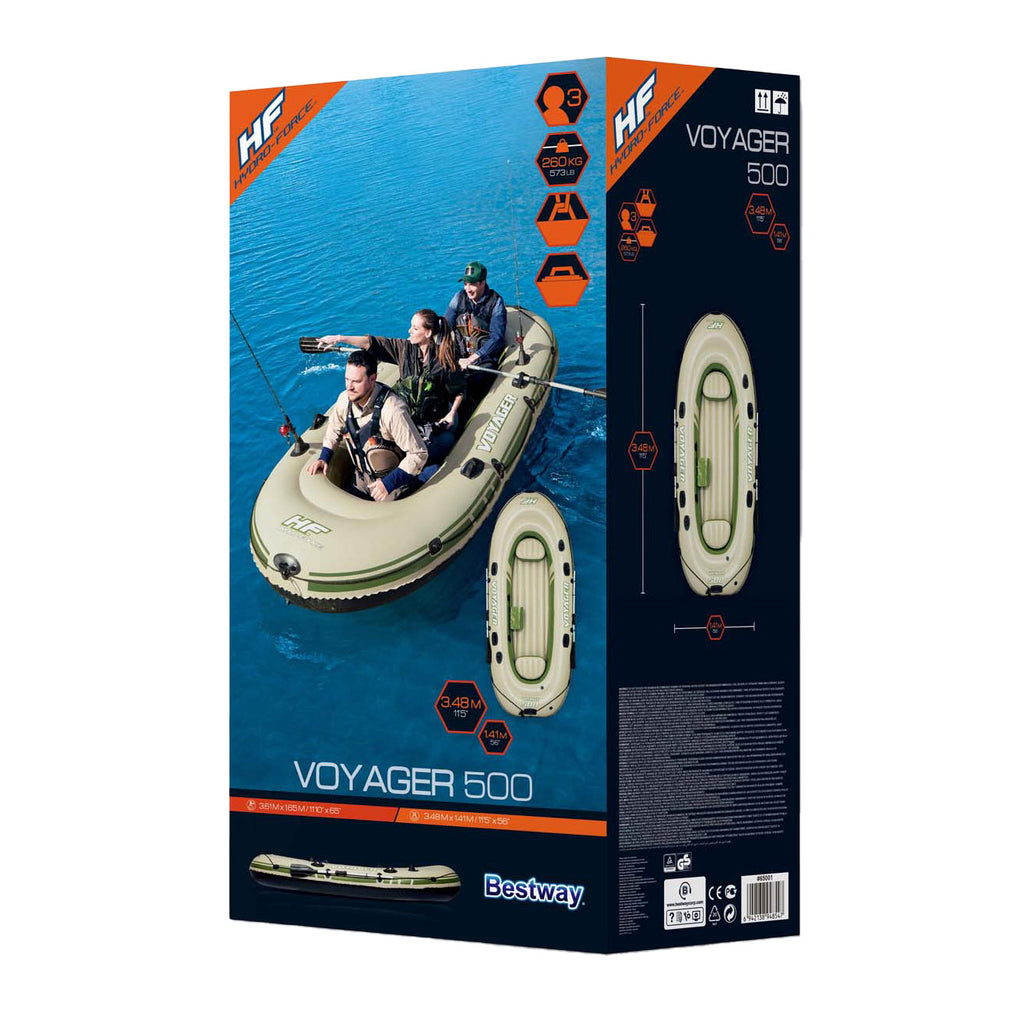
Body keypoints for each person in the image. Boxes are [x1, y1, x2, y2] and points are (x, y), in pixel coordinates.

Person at [315, 310, 466, 471]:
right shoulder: (404, 349)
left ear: (428, 333)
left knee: (443, 443)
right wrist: (339, 338)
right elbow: (372, 343)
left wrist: (451, 414)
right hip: (409, 419)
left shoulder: (444, 358)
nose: (409, 331)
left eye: (415, 328)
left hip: (437, 419)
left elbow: (459, 390)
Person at [305, 349, 427, 501]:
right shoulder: (344, 400)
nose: (349, 387)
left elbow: (418, 453)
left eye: (356, 382)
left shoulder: (393, 410)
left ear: (372, 379)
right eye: (347, 379)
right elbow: (333, 430)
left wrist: (389, 483)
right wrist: (324, 457)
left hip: (392, 482)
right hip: (362, 478)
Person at [444, 261, 508, 372]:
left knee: (479, 378)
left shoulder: (496, 303)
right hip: (461, 354)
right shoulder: (459, 297)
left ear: (482, 283)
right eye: (465, 284)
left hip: (484, 358)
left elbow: (496, 338)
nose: (468, 289)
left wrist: (472, 358)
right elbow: (446, 325)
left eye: (472, 284)